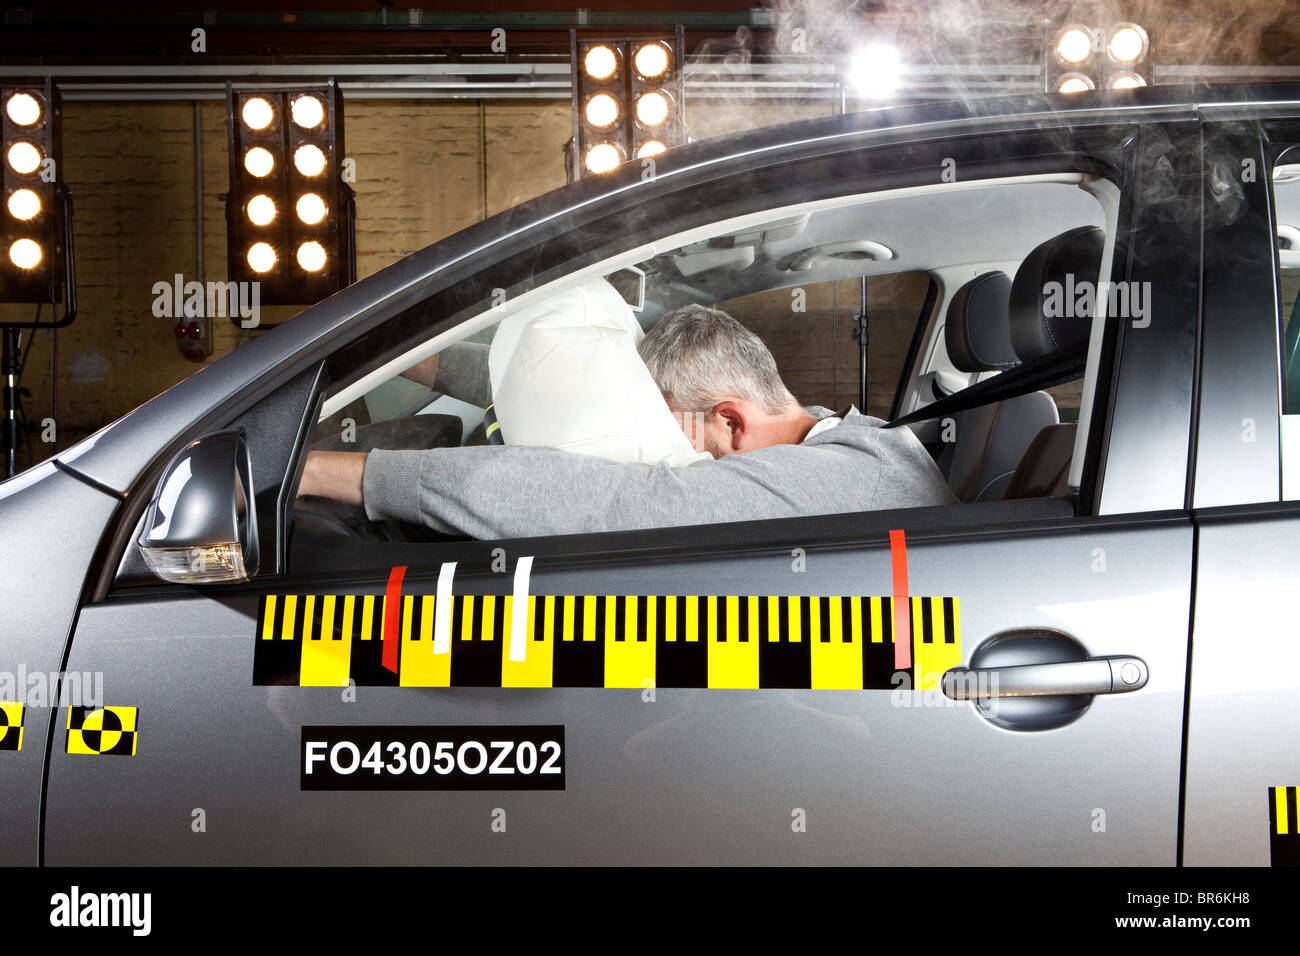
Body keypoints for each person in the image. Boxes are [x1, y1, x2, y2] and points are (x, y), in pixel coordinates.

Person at [297, 304, 958, 538]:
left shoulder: (817, 484)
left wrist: (320, 470)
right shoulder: (846, 444)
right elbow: (562, 398)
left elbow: (613, 501)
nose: (652, 451)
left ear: (730, 421)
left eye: (659, 432)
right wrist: (404, 358)